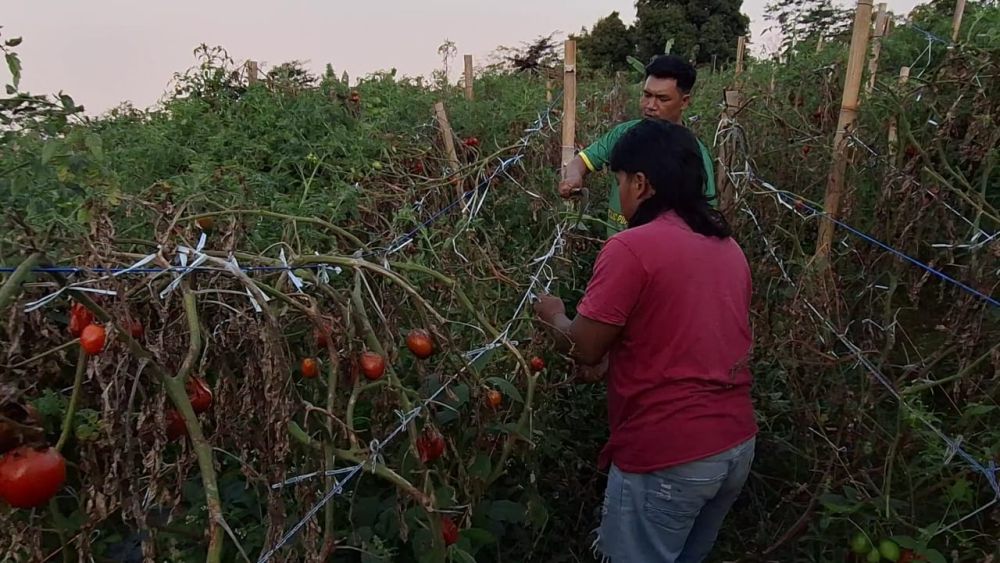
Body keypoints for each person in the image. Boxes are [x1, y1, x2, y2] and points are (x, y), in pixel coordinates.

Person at [534, 120, 756, 563]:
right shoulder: (726, 246)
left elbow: (584, 348)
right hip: (734, 446)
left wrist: (553, 315)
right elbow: (683, 337)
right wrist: (617, 361)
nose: (619, 192)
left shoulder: (631, 247)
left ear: (640, 182)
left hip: (669, 456)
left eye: (618, 180)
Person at [558, 54, 717, 237]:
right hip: (617, 251)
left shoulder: (694, 156)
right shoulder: (624, 134)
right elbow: (583, 161)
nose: (650, 105)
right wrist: (573, 178)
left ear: (685, 102)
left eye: (662, 99)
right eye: (647, 95)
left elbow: (706, 222)